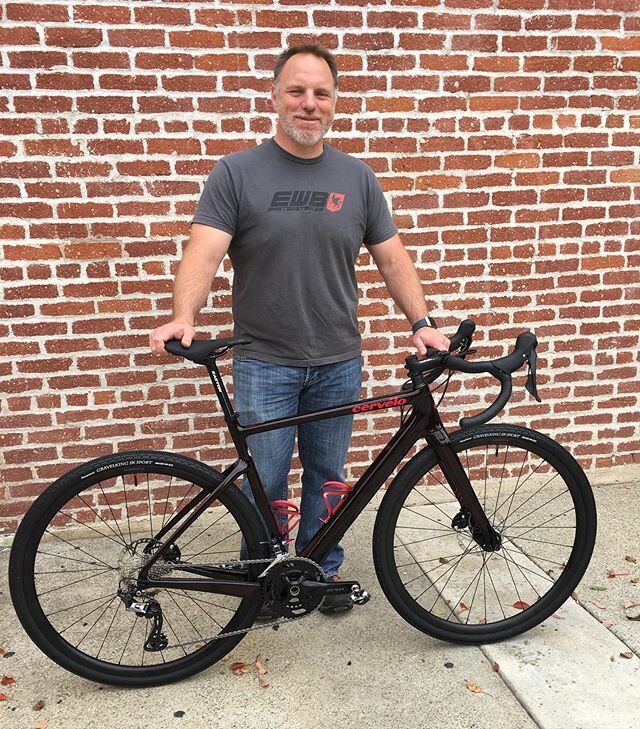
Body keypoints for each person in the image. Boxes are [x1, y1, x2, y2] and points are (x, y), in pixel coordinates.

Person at [150, 43, 450, 614]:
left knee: (328, 475)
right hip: (264, 360)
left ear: (334, 103)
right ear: (275, 96)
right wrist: (183, 315)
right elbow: (204, 251)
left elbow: (392, 257)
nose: (309, 103)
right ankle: (261, 580)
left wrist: (423, 322)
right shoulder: (237, 172)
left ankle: (319, 573)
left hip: (339, 358)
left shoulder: (357, 178)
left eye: (321, 93)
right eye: (297, 91)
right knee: (263, 481)